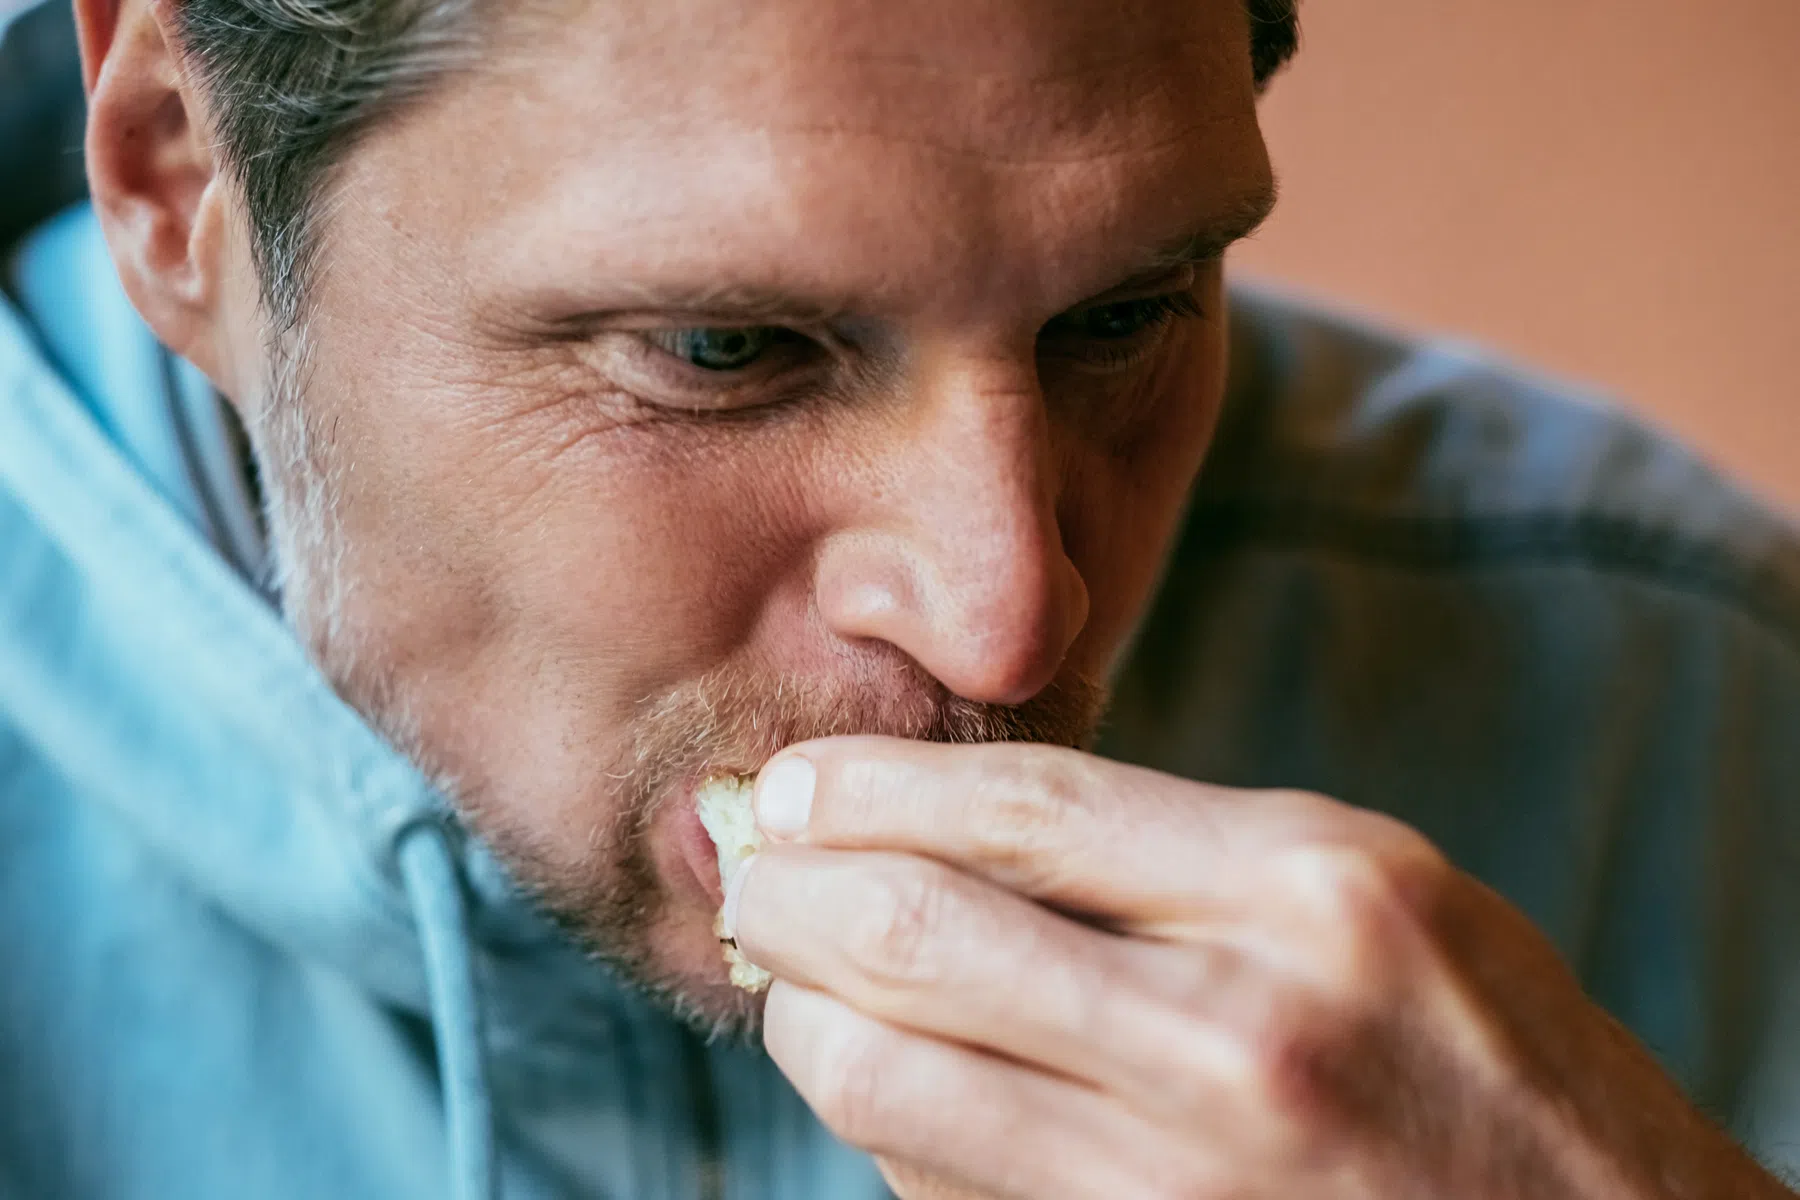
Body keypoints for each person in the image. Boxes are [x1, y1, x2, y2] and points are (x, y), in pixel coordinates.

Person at [2, 0, 1797, 1196]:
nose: (1010, 619)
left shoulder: (1700, 713)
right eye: (724, 349)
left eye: (1125, 316)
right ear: (178, 176)